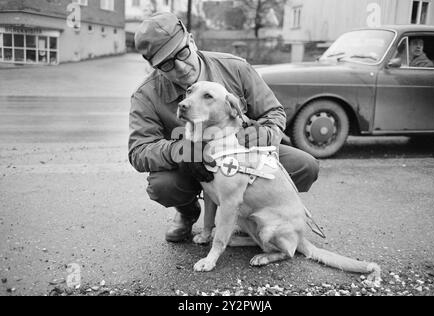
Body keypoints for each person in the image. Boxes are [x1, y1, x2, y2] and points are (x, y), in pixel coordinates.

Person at [128, 12, 319, 242]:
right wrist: (182, 151)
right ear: (154, 66)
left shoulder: (235, 68)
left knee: (305, 165)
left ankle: (248, 211)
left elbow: (274, 112)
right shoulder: (145, 95)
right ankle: (187, 212)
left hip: (242, 157)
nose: (180, 66)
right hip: (191, 167)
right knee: (163, 186)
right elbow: (138, 151)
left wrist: (264, 133)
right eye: (167, 64)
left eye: (182, 52)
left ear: (192, 39)